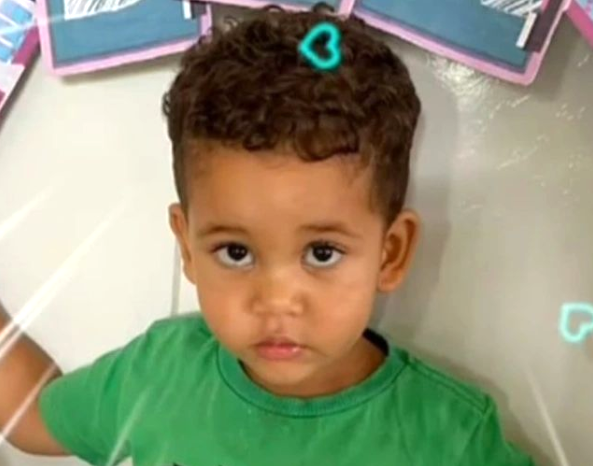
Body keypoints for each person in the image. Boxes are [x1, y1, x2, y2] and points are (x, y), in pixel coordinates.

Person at [0, 4, 536, 465]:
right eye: (236, 252)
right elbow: (32, 417)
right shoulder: (160, 370)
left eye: (322, 253)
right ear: (187, 245)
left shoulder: (450, 437)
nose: (277, 302)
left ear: (390, 253)